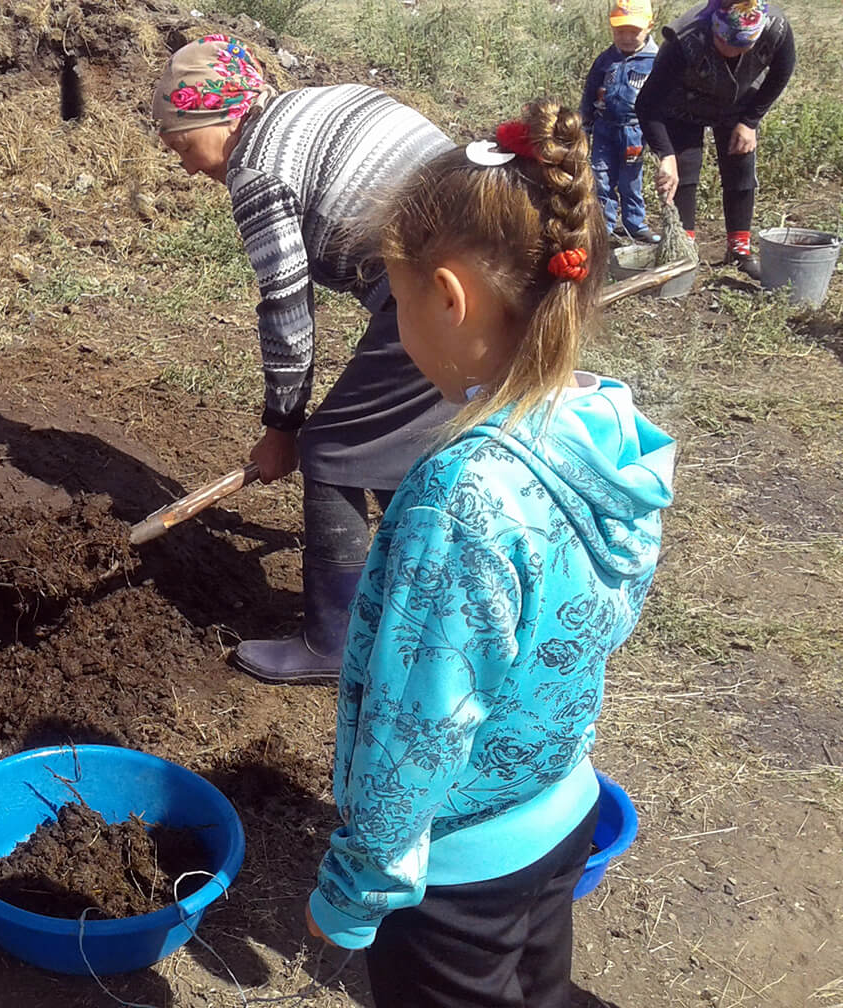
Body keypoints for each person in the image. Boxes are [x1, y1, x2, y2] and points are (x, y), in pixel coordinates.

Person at [302, 100, 675, 1007]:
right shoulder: (601, 429)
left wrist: (356, 892)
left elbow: (418, 723)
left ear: (448, 295)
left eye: (395, 298)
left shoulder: (462, 499)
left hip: (457, 868)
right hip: (559, 807)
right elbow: (600, 617)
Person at [152, 36, 460, 685]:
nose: (183, 166)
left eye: (182, 143)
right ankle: (436, 615)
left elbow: (287, 310)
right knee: (399, 447)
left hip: (438, 286)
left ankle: (334, 643)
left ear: (222, 117)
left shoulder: (258, 166)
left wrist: (283, 430)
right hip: (481, 267)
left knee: (336, 446)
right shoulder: (310, 110)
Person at [635, 0, 796, 279]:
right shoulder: (683, 40)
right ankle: (684, 252)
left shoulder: (775, 27)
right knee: (683, 170)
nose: (734, 52)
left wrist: (750, 121)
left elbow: (783, 70)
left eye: (743, 46)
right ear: (715, 31)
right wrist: (666, 154)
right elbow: (647, 104)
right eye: (727, 44)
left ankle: (739, 250)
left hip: (738, 102)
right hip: (682, 105)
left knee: (740, 165)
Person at [581, 0, 661, 244]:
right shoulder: (606, 59)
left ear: (649, 26)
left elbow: (663, 99)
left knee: (630, 180)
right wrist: (585, 124)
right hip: (604, 128)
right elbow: (591, 91)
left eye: (633, 32)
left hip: (634, 131)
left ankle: (634, 223)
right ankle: (603, 226)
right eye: (619, 32)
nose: (626, 38)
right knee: (600, 177)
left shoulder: (655, 61)